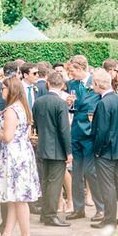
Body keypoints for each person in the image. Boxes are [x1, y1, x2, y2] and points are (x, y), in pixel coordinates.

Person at [0, 77, 41, 236]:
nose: (1, 91)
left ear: (11, 90)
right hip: (22, 153)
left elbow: (7, 136)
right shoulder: (23, 107)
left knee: (20, 199)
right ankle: (7, 234)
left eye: (3, 89)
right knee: (14, 198)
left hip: (13, 157)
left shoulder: (12, 110)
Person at [66, 55, 105, 222]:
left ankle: (101, 209)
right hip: (75, 132)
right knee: (76, 172)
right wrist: (68, 103)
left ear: (82, 68)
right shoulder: (71, 84)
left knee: (91, 172)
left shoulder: (95, 84)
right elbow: (73, 108)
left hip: (89, 134)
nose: (70, 74)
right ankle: (78, 208)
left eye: (72, 70)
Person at [90, 68, 118, 229]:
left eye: (93, 83)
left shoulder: (103, 103)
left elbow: (101, 131)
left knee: (108, 185)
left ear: (97, 84)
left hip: (106, 151)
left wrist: (97, 150)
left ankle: (109, 220)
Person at [32, 71, 72, 227]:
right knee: (55, 183)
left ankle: (45, 213)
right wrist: (68, 151)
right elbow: (64, 130)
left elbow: (35, 123)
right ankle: (50, 214)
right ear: (62, 86)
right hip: (57, 148)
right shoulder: (60, 103)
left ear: (48, 83)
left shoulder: (38, 101)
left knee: (46, 180)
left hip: (42, 145)